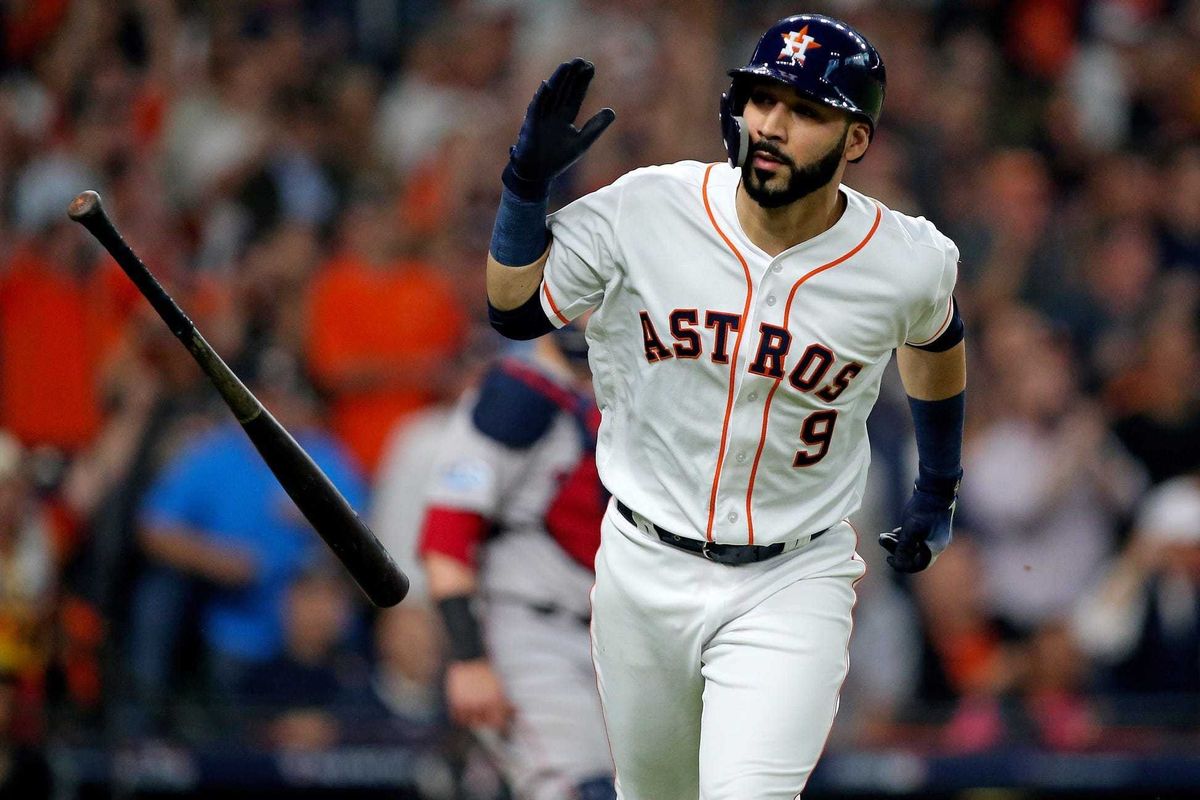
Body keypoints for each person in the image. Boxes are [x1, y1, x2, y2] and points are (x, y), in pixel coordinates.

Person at [484, 14, 966, 799]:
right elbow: (514, 310)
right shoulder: (647, 209)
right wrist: (522, 189)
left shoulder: (905, 260)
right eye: (762, 99)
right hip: (642, 566)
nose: (772, 126)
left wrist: (938, 482)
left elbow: (939, 339)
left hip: (792, 575)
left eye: (806, 111)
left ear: (856, 141)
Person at [419, 327, 613, 800]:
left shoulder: (628, 390)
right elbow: (446, 535)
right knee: (579, 790)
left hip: (621, 642)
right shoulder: (516, 394)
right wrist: (469, 659)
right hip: (534, 634)